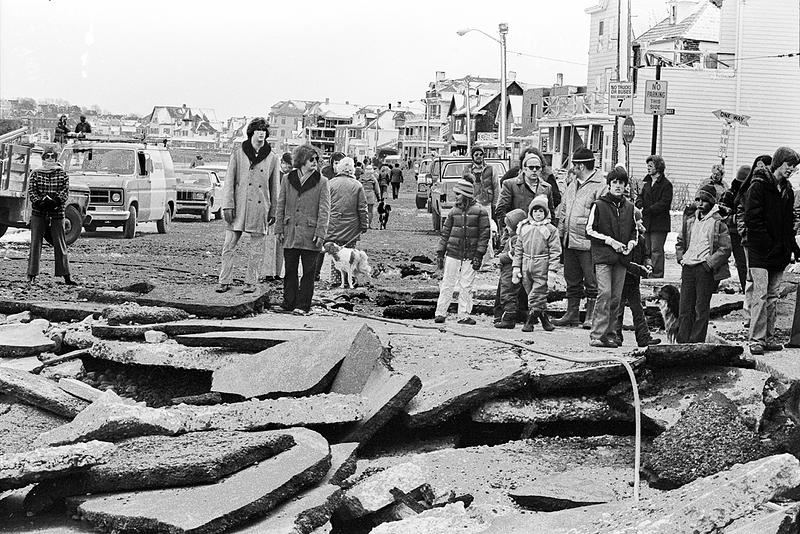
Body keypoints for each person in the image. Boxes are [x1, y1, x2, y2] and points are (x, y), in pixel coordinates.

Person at [743, 147, 800, 355]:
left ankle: (768, 336)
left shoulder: (787, 190)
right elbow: (752, 219)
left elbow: (788, 223)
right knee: (760, 293)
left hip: (778, 251)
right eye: (789, 165)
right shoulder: (758, 185)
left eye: (794, 166)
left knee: (773, 295)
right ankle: (756, 339)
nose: (792, 169)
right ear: (779, 162)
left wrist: (791, 246)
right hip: (760, 250)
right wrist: (768, 243)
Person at [216, 117, 280, 294]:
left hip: (260, 209)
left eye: (264, 131)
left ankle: (251, 282)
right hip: (239, 207)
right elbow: (229, 181)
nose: (261, 133)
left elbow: (275, 187)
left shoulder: (273, 158)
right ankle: (224, 280)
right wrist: (227, 205)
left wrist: (274, 209)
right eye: (258, 130)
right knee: (228, 245)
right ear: (251, 132)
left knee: (257, 249)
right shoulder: (238, 154)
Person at [552, 147, 607, 329]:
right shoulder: (572, 184)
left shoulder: (600, 186)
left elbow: (600, 216)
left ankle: (591, 315)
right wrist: (560, 234)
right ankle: (572, 313)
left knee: (591, 280)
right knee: (572, 278)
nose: (572, 168)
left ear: (581, 166)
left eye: (575, 165)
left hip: (587, 242)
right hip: (570, 240)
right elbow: (564, 211)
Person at [585, 165, 637, 348]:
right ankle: (597, 334)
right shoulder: (599, 205)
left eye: (621, 183)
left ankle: (611, 334)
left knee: (616, 297)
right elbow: (589, 231)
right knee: (605, 293)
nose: (618, 186)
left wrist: (630, 244)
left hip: (621, 259)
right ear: (609, 185)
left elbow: (634, 231)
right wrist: (610, 241)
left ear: (625, 186)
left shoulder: (629, 207)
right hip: (603, 257)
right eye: (614, 182)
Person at [275, 145, 330, 315]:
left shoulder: (322, 182)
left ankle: (303, 305)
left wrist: (321, 233)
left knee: (308, 272)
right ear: (301, 161)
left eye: (316, 160)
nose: (315, 162)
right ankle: (288, 302)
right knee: (290, 269)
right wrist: (278, 228)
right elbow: (281, 204)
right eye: (311, 159)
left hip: (310, 233)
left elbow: (324, 209)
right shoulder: (287, 179)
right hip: (290, 230)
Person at [675, 184, 732, 343]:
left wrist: (709, 264)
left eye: (705, 200)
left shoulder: (718, 222)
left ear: (712, 203)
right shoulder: (690, 220)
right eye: (698, 199)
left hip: (704, 268)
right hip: (688, 267)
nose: (700, 203)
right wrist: (681, 258)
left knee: (701, 308)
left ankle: (696, 341)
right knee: (685, 307)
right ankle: (682, 341)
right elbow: (680, 241)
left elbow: (725, 248)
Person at [434, 177, 491, 325]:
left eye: (458, 194)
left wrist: (479, 254)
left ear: (466, 195)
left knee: (466, 285)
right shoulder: (454, 212)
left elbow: (484, 235)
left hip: (471, 255)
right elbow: (445, 233)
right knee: (447, 282)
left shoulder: (480, 212)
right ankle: (440, 312)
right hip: (453, 252)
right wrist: (440, 252)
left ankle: (464, 314)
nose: (455, 197)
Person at [26, 146, 75, 287]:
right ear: (43, 158)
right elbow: (32, 191)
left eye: (52, 156)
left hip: (57, 212)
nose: (49, 159)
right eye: (47, 156)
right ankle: (31, 275)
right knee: (36, 243)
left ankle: (66, 276)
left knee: (60, 243)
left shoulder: (62, 174)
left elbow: (64, 192)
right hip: (38, 212)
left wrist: (55, 202)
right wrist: (40, 202)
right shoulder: (35, 174)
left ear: (55, 158)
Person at [512, 195, 561, 332]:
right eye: (535, 211)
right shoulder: (524, 227)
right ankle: (545, 320)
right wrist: (516, 267)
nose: (538, 214)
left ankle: (530, 321)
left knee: (537, 294)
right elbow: (518, 248)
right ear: (531, 212)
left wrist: (552, 270)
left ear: (545, 213)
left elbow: (555, 251)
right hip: (526, 264)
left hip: (542, 264)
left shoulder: (550, 229)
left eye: (540, 211)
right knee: (530, 292)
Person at [613, 208, 661, 347]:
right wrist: (641, 269)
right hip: (622, 278)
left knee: (638, 308)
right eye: (638, 220)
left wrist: (648, 264)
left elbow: (646, 255)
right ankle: (616, 335)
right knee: (618, 308)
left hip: (634, 280)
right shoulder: (622, 239)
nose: (641, 223)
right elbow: (624, 261)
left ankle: (643, 337)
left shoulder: (641, 239)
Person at [318, 157, 368, 287]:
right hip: (352, 226)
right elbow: (362, 207)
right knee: (350, 255)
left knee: (336, 254)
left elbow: (324, 205)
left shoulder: (330, 183)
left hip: (333, 224)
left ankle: (336, 279)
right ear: (352, 170)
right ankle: (348, 279)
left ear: (339, 168)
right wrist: (364, 224)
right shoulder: (357, 185)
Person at [499, 146, 562, 222]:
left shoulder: (547, 187)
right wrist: (508, 228)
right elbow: (501, 211)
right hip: (517, 229)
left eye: (537, 167)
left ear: (541, 169)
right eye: (531, 167)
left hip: (539, 229)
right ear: (524, 168)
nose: (534, 170)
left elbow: (551, 213)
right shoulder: (510, 184)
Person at [635, 155, 672, 279]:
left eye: (651, 165)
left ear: (658, 167)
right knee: (646, 250)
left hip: (659, 223)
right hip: (646, 222)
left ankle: (656, 275)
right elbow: (639, 196)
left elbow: (664, 203)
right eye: (648, 165)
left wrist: (648, 209)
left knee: (656, 250)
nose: (648, 168)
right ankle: (646, 273)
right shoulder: (646, 182)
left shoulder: (666, 185)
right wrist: (639, 204)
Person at [718, 165, 750, 292]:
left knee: (742, 264)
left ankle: (745, 288)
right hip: (730, 232)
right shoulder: (730, 194)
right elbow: (721, 214)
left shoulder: (750, 194)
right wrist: (737, 218)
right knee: (720, 261)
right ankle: (712, 287)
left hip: (742, 233)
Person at [493, 208, 527, 329]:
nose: (506, 228)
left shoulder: (516, 239)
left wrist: (501, 258)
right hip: (508, 269)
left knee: (508, 292)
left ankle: (509, 317)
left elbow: (513, 254)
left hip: (510, 270)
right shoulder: (513, 237)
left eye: (508, 226)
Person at [359, 164, 381, 228]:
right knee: (370, 210)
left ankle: (362, 223)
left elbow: (357, 186)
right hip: (371, 194)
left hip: (363, 194)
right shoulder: (373, 178)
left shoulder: (361, 177)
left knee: (362, 210)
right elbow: (377, 188)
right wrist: (378, 196)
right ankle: (369, 224)